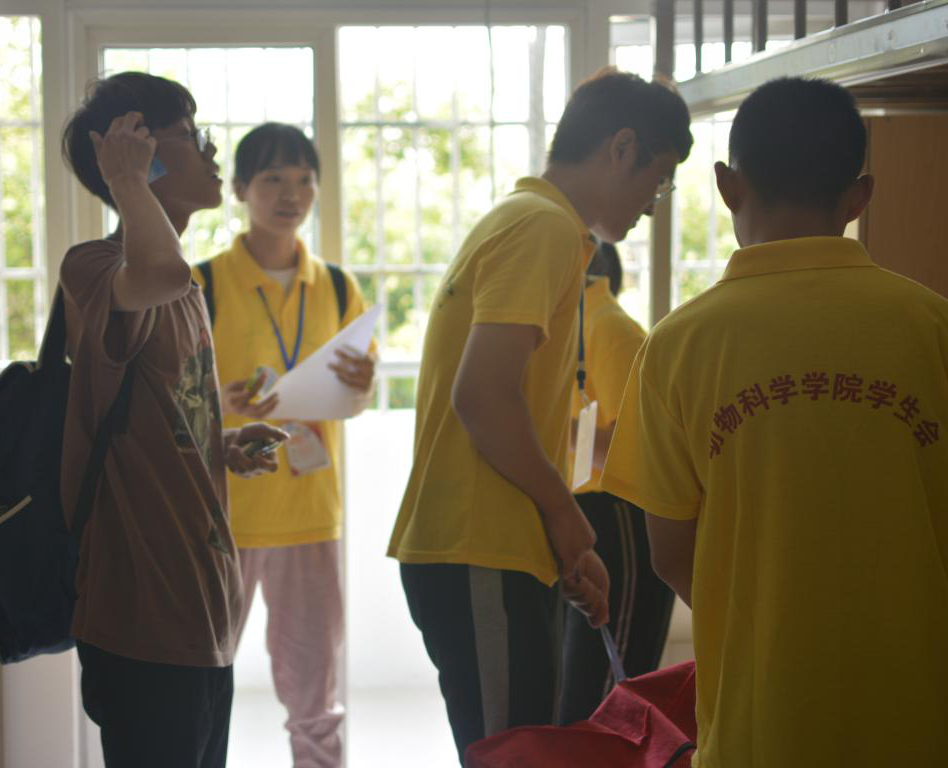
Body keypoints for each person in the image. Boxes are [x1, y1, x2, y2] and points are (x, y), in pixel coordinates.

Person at [602, 77, 948, 767]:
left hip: (757, 722)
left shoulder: (678, 345)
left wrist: (761, 618)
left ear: (728, 186)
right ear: (860, 196)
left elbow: (668, 552)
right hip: (918, 717)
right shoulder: (933, 327)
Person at [387, 68, 692, 763]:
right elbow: (483, 396)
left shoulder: (530, 221)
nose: (653, 206)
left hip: (489, 545)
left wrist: (565, 543)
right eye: (658, 181)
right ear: (622, 147)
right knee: (515, 757)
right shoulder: (543, 227)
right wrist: (564, 514)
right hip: (481, 545)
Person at [59, 72, 287, 768]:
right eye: (193, 136)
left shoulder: (183, 287)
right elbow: (156, 271)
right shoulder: (96, 267)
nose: (214, 153)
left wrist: (222, 444)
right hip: (142, 618)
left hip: (201, 610)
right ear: (141, 155)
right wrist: (127, 180)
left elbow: (159, 417)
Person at [192, 122, 375, 768]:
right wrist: (218, 403)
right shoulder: (202, 285)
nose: (291, 194)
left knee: (316, 700)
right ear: (240, 188)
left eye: (304, 179)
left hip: (309, 515)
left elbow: (354, 398)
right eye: (273, 179)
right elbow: (168, 403)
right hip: (221, 518)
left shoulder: (338, 287)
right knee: (196, 691)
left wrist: (362, 386)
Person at [557, 241, 675, 725]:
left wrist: (550, 427)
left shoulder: (608, 328)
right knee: (581, 690)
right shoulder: (571, 329)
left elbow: (640, 444)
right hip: (584, 512)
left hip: (619, 515)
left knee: (611, 691)